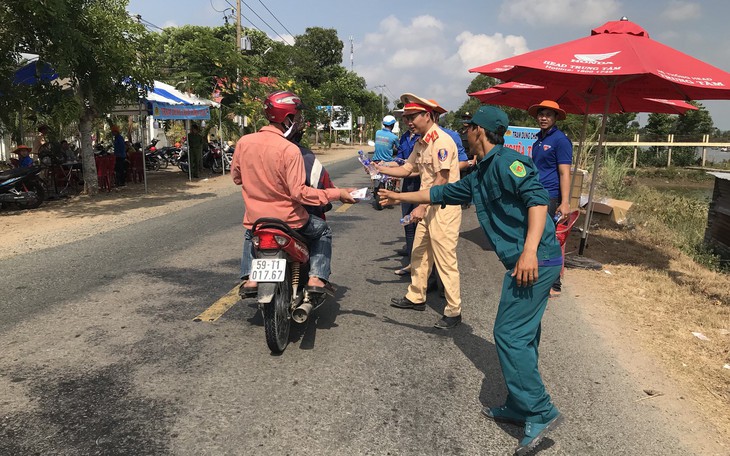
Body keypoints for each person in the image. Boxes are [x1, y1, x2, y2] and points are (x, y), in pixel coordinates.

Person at [378, 105, 564, 455]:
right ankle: (519, 403)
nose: (463, 131)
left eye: (468, 126)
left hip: (536, 260)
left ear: (481, 131)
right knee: (524, 335)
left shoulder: (510, 162)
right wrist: (398, 196)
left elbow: (538, 203)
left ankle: (539, 409)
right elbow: (438, 194)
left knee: (508, 335)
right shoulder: (480, 174)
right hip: (526, 261)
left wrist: (528, 252)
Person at [231, 90, 356, 296]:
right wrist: (337, 194)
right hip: (290, 220)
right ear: (287, 118)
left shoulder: (244, 143)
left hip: (257, 219)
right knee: (322, 230)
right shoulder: (290, 150)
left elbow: (237, 178)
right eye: (296, 117)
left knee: (249, 233)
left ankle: (252, 279)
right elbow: (300, 193)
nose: (298, 122)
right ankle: (316, 277)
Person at [375, 93, 462, 330]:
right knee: (419, 253)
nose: (408, 122)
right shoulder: (421, 141)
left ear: (428, 115)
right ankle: (416, 296)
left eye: (412, 116)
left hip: (443, 208)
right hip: (427, 206)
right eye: (405, 118)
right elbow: (407, 169)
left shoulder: (442, 141)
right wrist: (380, 168)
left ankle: (454, 311)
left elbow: (442, 179)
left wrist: (421, 206)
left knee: (445, 261)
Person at [528, 100, 573, 297]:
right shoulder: (538, 139)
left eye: (548, 115)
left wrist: (564, 202)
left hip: (551, 195)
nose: (543, 118)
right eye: (541, 114)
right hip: (536, 193)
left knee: (547, 237)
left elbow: (564, 173)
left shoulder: (560, 140)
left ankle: (554, 284)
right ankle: (539, 275)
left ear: (555, 118)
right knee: (536, 235)